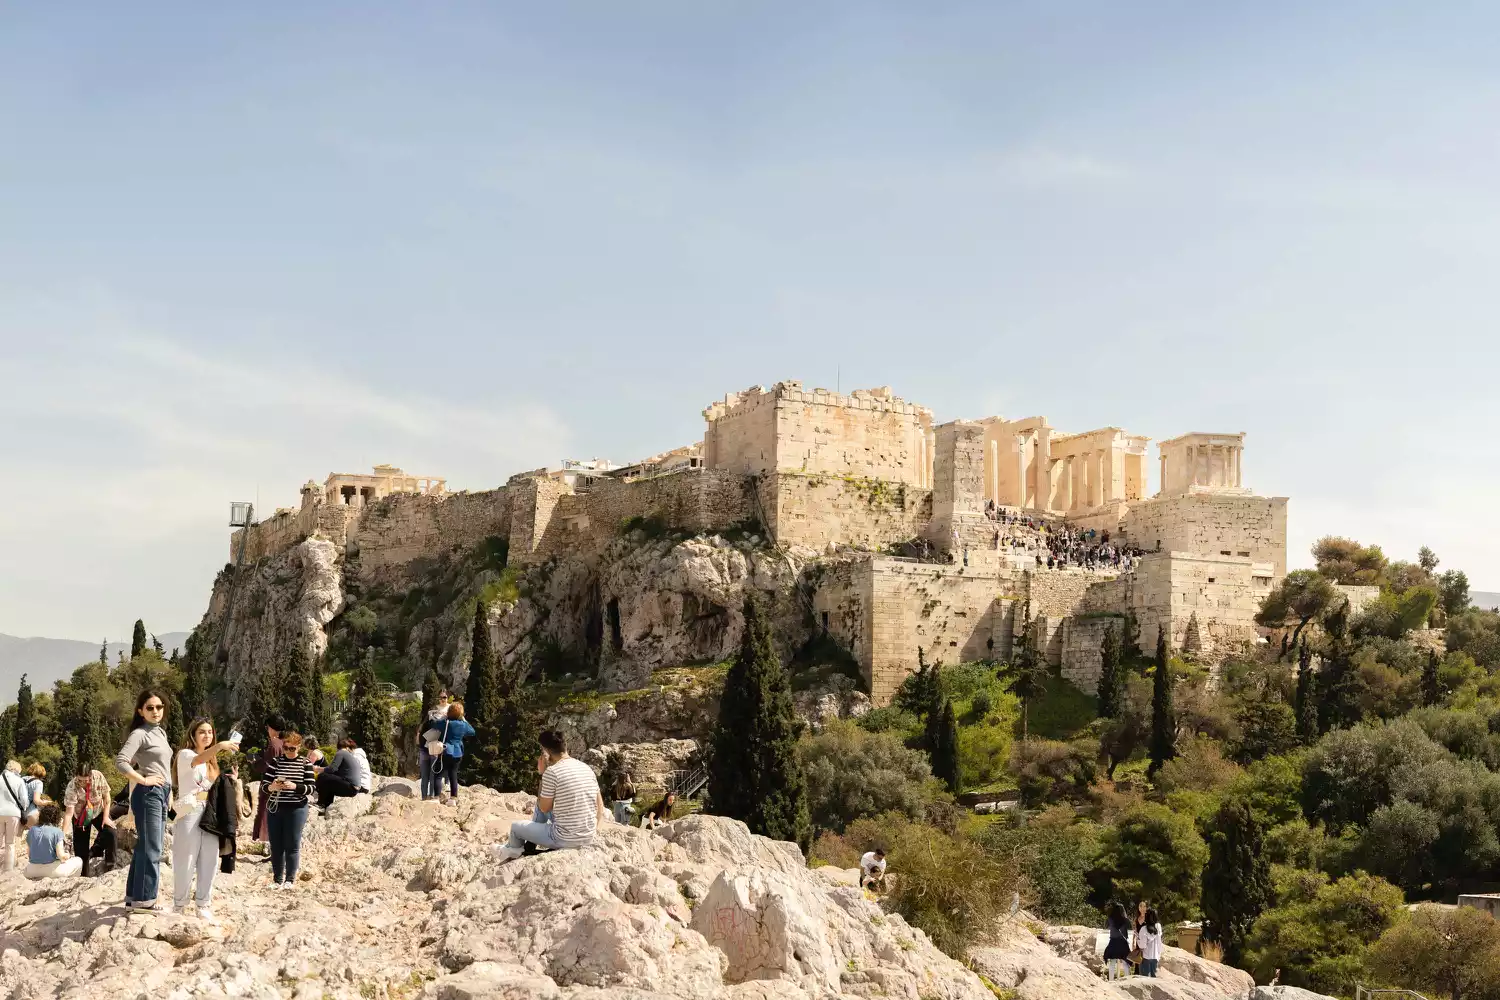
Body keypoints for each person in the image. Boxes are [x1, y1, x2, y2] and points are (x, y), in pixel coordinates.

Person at [493, 730, 603, 862]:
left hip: (563, 838)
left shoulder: (552, 772)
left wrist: (543, 774)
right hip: (588, 836)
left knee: (516, 827)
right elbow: (600, 806)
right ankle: (527, 845)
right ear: (565, 746)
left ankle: (512, 851)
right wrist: (591, 831)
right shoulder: (586, 768)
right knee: (541, 810)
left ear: (546, 750)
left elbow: (544, 807)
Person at [173, 717, 237, 919]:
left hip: (211, 814)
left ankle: (203, 904)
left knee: (209, 859)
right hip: (190, 811)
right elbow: (196, 761)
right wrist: (219, 746)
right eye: (202, 731)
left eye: (210, 732)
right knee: (186, 859)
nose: (207, 735)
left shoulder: (212, 762)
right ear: (193, 734)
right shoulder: (185, 754)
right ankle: (179, 904)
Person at [115, 690, 173, 910]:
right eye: (150, 708)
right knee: (153, 848)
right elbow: (121, 762)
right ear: (141, 711)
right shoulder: (140, 733)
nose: (156, 711)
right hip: (149, 793)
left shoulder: (161, 733)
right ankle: (146, 901)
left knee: (145, 847)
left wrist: (170, 794)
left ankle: (134, 898)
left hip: (161, 793)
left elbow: (165, 768)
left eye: (159, 707)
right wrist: (143, 779)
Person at [263, 731, 316, 889]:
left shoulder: (305, 763)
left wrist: (295, 787)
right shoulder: (275, 762)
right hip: (276, 807)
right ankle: (277, 879)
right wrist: (273, 786)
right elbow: (264, 785)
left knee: (292, 844)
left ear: (299, 747)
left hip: (297, 808)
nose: (288, 751)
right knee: (276, 845)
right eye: (285, 748)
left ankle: (290, 879)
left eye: (292, 748)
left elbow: (311, 788)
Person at [63, 767, 116, 877]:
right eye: (80, 780)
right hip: (80, 817)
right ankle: (84, 876)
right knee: (81, 850)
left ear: (91, 776)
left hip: (98, 811)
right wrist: (62, 833)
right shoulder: (72, 787)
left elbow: (107, 798)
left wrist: (106, 817)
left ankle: (110, 865)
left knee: (111, 833)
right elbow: (69, 813)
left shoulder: (98, 776)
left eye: (86, 780)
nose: (83, 783)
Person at [251, 715, 286, 844]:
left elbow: (266, 765)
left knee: (268, 817)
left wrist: (254, 761)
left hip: (271, 785)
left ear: (271, 728)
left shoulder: (274, 743)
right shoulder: (284, 743)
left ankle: (274, 854)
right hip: (282, 784)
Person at [23, 804, 81, 879]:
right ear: (56, 818)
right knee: (78, 861)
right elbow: (61, 856)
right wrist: (68, 855)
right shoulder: (57, 832)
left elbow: (29, 853)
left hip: (31, 870)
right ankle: (70, 882)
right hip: (51, 871)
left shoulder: (32, 830)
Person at [0, 760, 37, 873]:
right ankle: (8, 871)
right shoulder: (19, 780)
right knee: (10, 843)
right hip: (13, 814)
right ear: (16, 770)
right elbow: (25, 801)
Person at [435, 702, 475, 803]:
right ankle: (453, 798)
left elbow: (434, 725)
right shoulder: (463, 725)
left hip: (445, 751)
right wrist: (464, 720)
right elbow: (472, 732)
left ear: (449, 711)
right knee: (453, 775)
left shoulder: (445, 723)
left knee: (438, 775)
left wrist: (443, 717)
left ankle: (437, 797)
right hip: (457, 752)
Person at [314, 739, 367, 814]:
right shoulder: (349, 755)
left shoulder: (341, 752)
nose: (352, 751)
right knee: (329, 781)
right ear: (347, 747)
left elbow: (332, 769)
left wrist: (317, 769)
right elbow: (335, 771)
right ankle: (326, 806)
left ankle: (321, 804)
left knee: (323, 776)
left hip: (350, 787)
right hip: (354, 788)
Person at [419, 689, 451, 801]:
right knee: (426, 774)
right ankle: (424, 797)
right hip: (428, 744)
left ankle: (433, 795)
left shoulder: (451, 709)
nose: (442, 699)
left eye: (444, 697)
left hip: (439, 744)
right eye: (441, 697)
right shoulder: (433, 710)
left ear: (448, 698)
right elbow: (424, 725)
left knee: (435, 772)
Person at [1103, 902, 1133, 981]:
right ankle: (1127, 980)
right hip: (1123, 943)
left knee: (1112, 962)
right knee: (1125, 962)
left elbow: (1106, 927)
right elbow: (1130, 928)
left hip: (1113, 942)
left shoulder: (1110, 918)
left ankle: (1111, 980)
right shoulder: (1125, 920)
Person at [1136, 908, 1163, 978]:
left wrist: (1137, 938)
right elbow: (1159, 942)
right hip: (1155, 956)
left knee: (1144, 980)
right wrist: (1159, 953)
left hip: (1145, 957)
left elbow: (1142, 946)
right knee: (1154, 979)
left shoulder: (1143, 929)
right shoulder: (1158, 927)